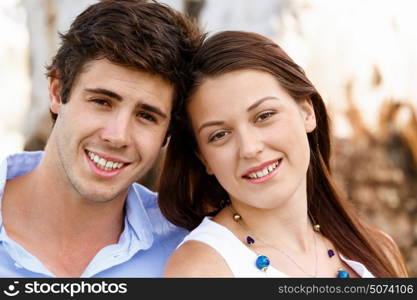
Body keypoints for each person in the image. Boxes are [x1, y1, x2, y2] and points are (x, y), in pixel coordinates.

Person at [158, 31, 409, 277]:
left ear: (307, 111)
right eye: (220, 135)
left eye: (264, 116)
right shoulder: (200, 270)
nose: (249, 148)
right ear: (204, 158)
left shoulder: (377, 250)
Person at [0, 0, 201, 277]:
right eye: (102, 102)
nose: (117, 136)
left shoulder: (190, 250)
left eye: (146, 116)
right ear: (57, 92)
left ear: (167, 132)